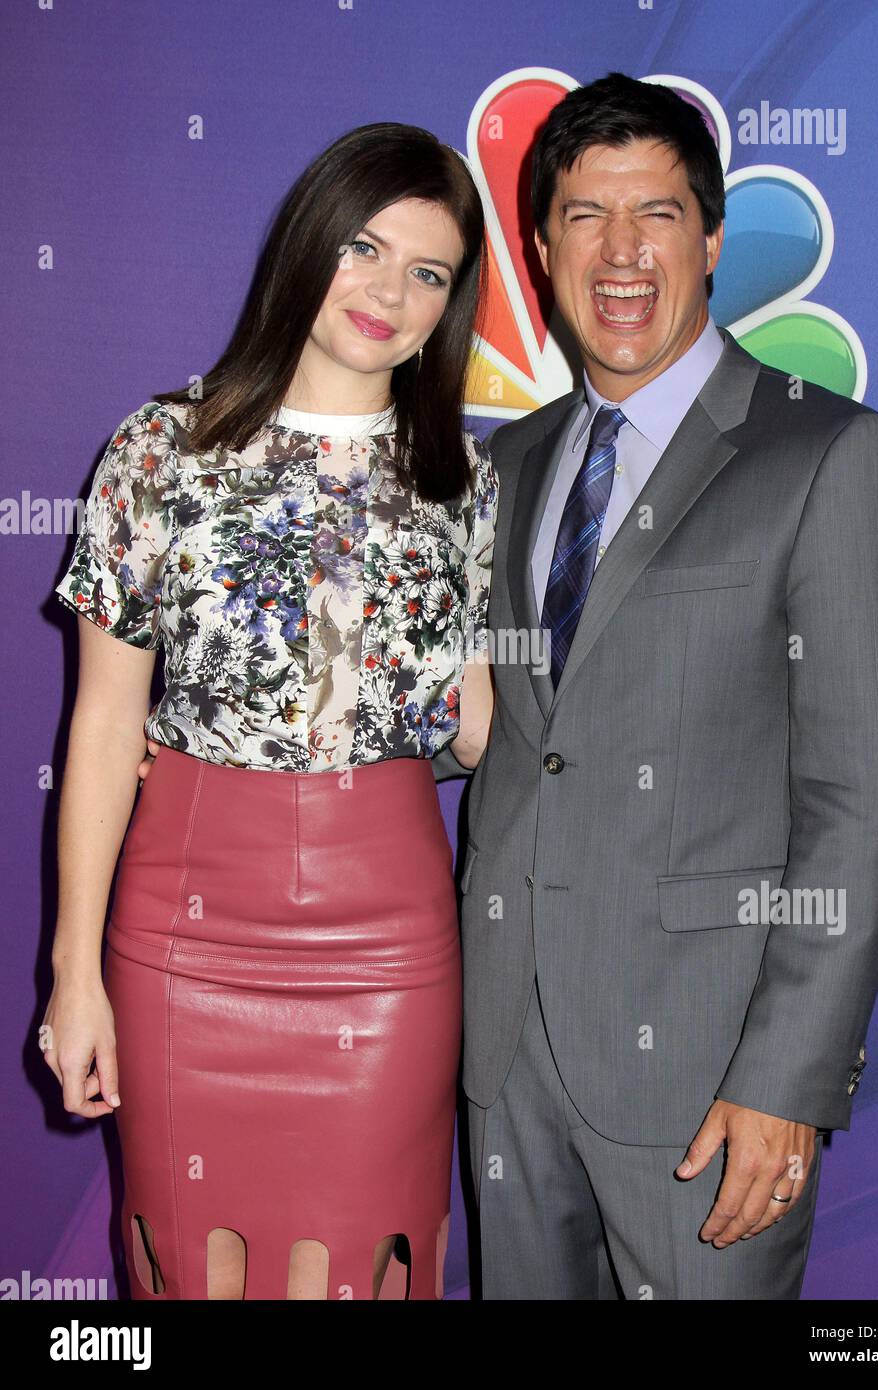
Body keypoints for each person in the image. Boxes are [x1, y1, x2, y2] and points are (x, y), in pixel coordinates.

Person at [431, 72, 878, 1299]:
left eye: (654, 213)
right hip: (506, 1053)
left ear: (710, 239)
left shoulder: (832, 454)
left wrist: (787, 1077)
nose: (620, 252)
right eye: (583, 216)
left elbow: (856, 801)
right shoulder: (510, 463)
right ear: (539, 245)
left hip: (709, 1075)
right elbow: (485, 724)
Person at [45, 121, 498, 1301]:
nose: (387, 290)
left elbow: (473, 729)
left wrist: (460, 707)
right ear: (308, 244)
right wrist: (72, 974)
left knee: (349, 1269)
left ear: (449, 305)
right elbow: (101, 731)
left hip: (387, 945)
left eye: (429, 272)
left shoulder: (464, 480)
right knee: (194, 1269)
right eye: (363, 245)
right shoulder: (159, 449)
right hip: (184, 936)